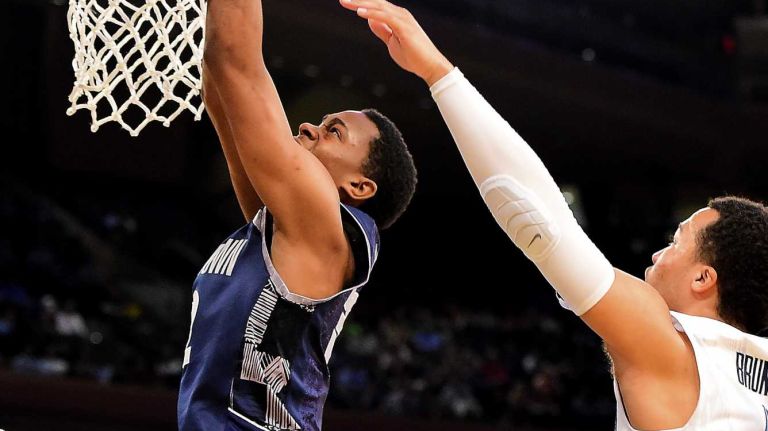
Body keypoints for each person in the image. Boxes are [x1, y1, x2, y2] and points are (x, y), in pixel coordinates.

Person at [339, 0, 768, 428]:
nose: (657, 255)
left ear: (703, 279)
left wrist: (437, 72)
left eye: (676, 243)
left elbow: (536, 218)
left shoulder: (673, 350)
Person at [176, 0, 417, 428]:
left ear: (359, 188)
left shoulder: (326, 229)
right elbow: (219, 83)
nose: (307, 127)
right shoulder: (283, 227)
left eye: (333, 133)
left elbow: (236, 61)